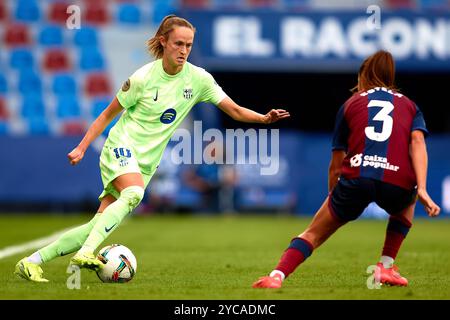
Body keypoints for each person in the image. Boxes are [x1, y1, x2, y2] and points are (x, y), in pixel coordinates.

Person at [14, 15, 290, 282]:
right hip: (121, 147)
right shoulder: (142, 79)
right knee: (134, 194)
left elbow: (234, 110)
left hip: (146, 163)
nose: (184, 51)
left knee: (93, 227)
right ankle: (86, 254)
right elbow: (106, 115)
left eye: (189, 45)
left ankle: (31, 262)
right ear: (163, 42)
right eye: (178, 44)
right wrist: (82, 147)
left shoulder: (199, 79)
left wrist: (263, 118)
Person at [252, 50, 440, 289]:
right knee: (407, 201)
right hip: (397, 181)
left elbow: (337, 162)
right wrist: (421, 188)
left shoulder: (351, 103)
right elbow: (417, 143)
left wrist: (333, 194)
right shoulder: (410, 106)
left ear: (364, 76)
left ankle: (276, 276)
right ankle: (385, 266)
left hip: (357, 178)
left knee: (312, 234)